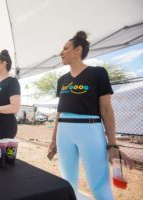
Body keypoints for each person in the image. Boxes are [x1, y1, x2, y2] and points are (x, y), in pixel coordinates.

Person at [48, 31, 133, 200]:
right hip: (64, 132)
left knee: (98, 185)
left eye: (65, 48)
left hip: (90, 130)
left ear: (78, 50)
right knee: (67, 182)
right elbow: (60, 110)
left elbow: (107, 110)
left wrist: (113, 145)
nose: (61, 52)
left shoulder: (98, 73)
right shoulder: (62, 80)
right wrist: (53, 138)